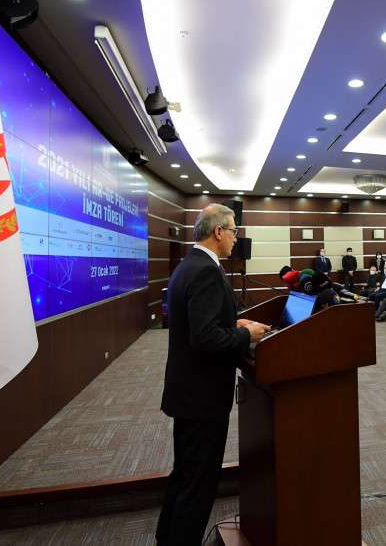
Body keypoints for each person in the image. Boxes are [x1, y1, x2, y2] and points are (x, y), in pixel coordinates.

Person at [157, 204, 270, 544]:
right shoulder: (206, 271)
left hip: (189, 393)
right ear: (218, 232)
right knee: (198, 484)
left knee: (185, 475)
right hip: (202, 397)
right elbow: (205, 338)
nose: (237, 238)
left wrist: (232, 323)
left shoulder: (189, 265)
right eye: (234, 231)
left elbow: (201, 322)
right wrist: (245, 334)